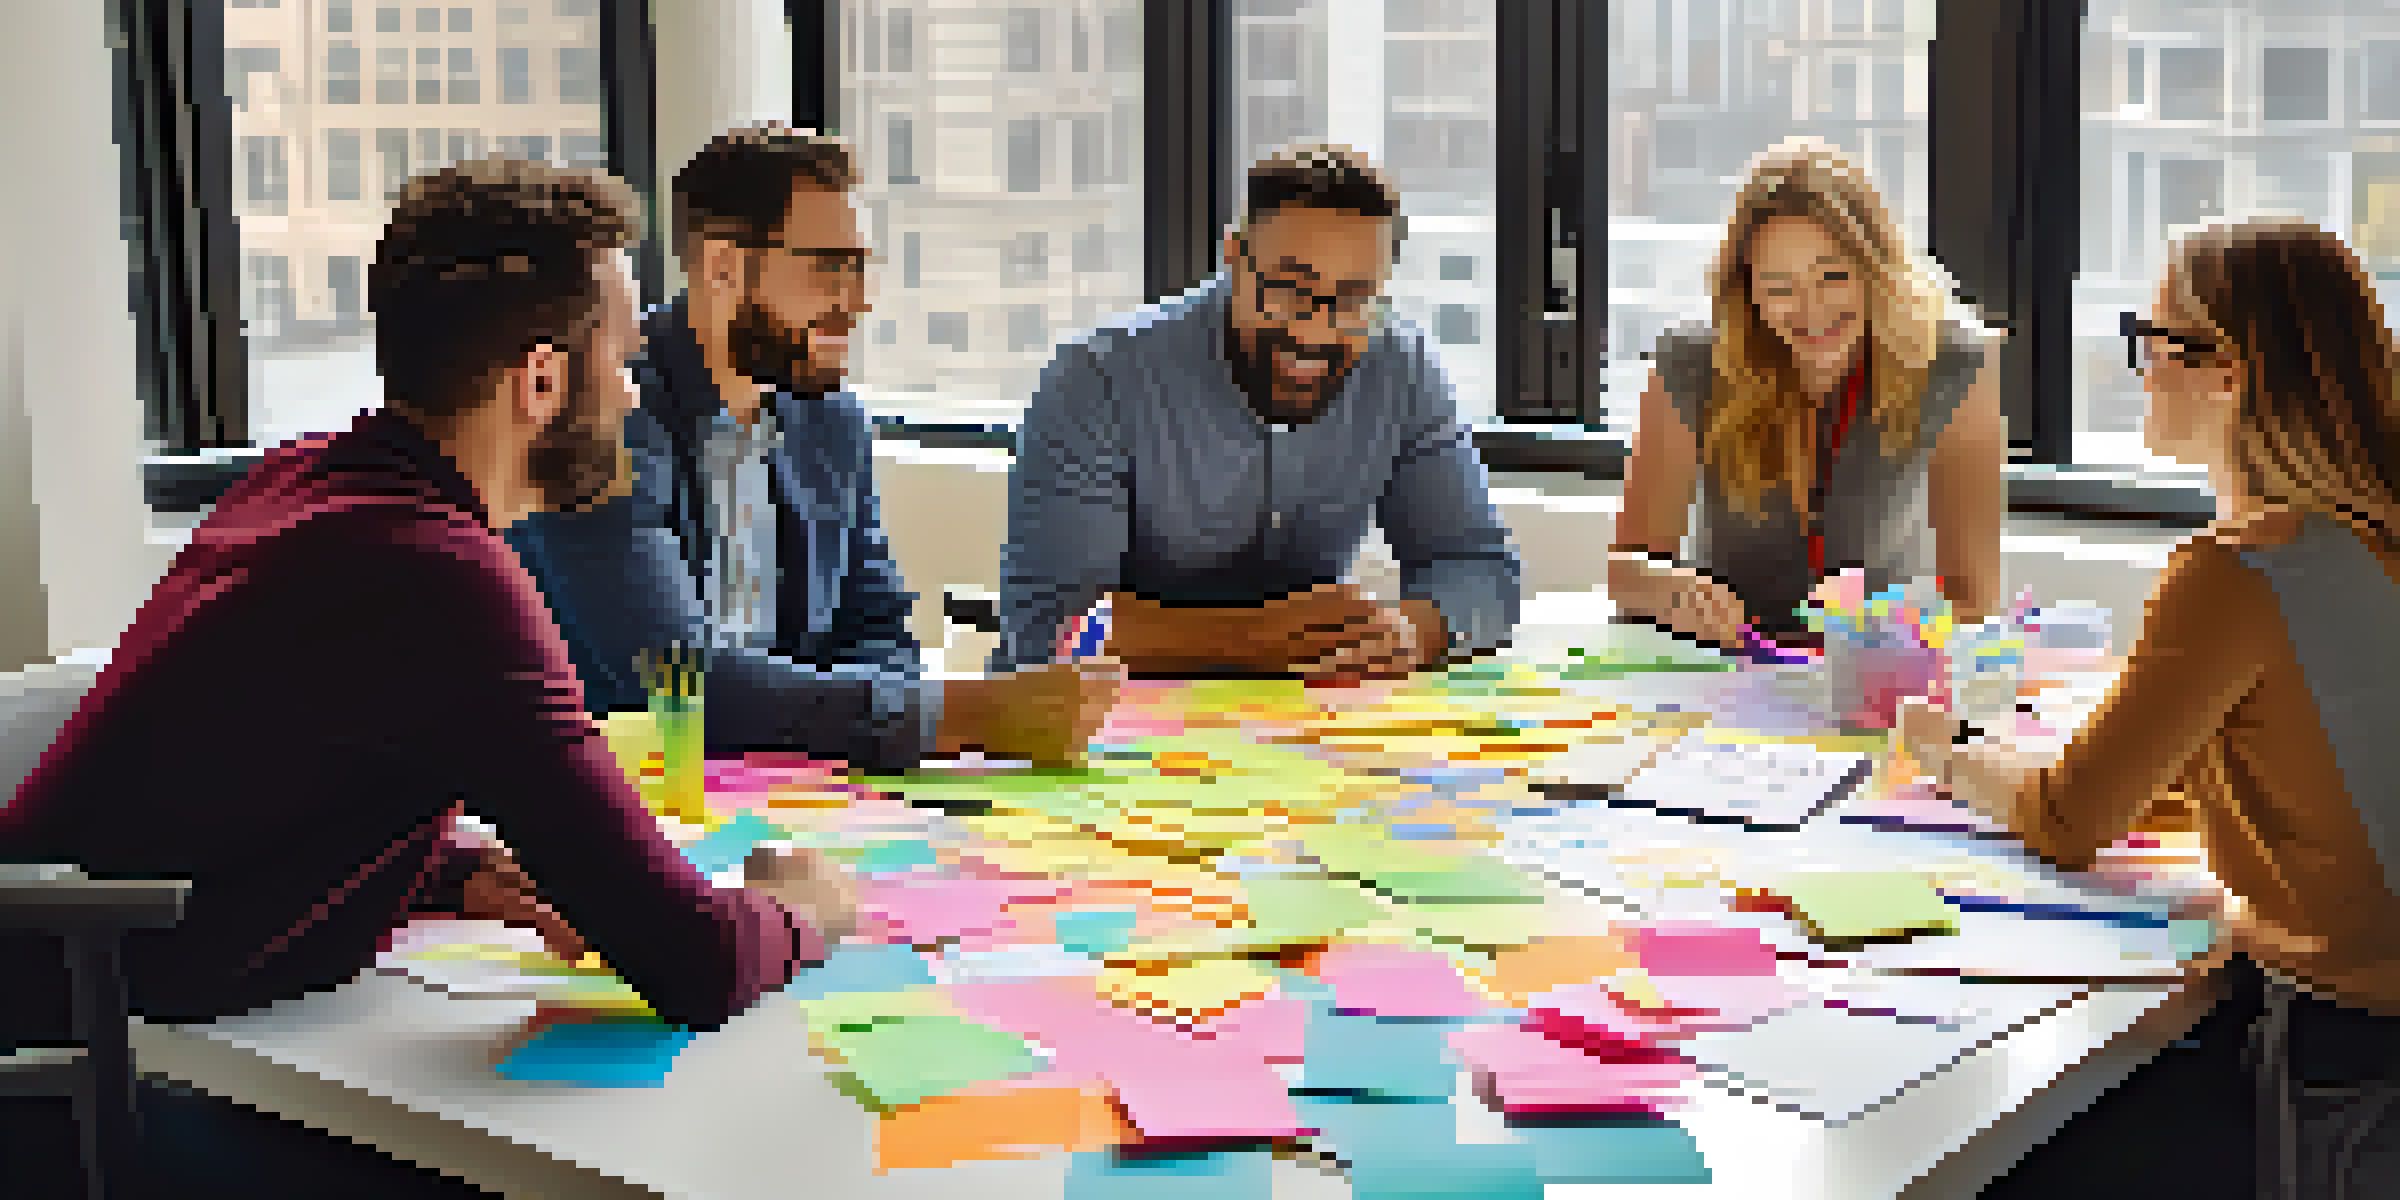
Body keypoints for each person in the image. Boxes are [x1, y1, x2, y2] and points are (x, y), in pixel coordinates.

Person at [0, 158, 856, 1059]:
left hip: (88, 1030)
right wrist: (808, 906)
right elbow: (699, 963)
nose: (633, 393)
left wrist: (460, 874)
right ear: (539, 383)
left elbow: (235, 796)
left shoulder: (302, 481)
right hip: (90, 1086)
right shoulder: (438, 573)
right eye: (622, 359)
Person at [1899, 218, 2400, 1199]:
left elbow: (2071, 820)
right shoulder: (2365, 535)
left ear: (2233, 372)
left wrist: (1947, 745)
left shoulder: (2242, 569)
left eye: (2156, 338)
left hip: (2344, 1061)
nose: (2140, 366)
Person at [505, 125, 1118, 769]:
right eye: (831, 267)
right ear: (722, 268)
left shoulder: (832, 421)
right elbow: (677, 679)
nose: (859, 301)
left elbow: (877, 628)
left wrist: (884, 736)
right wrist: (967, 715)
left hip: (804, 785)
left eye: (862, 266)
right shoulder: (604, 412)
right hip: (636, 790)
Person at [997, 144, 1521, 678]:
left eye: (1353, 298)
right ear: (1233, 256)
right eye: (1288, 288)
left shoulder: (1402, 368)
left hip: (1302, 732)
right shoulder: (1096, 380)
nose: (1312, 330)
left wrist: (1411, 631)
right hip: (1103, 730)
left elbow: (1482, 569)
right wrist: (1259, 636)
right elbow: (1052, 629)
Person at [1610, 138, 2007, 648]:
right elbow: (1625, 573)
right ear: (1746, 289)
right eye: (1779, 286)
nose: (1810, 309)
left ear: (1876, 268)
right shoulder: (1691, 360)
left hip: (1877, 675)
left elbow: (1974, 600)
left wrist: (1893, 638)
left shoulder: (1954, 361)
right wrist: (1668, 593)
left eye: (1833, 276)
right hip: (1718, 671)